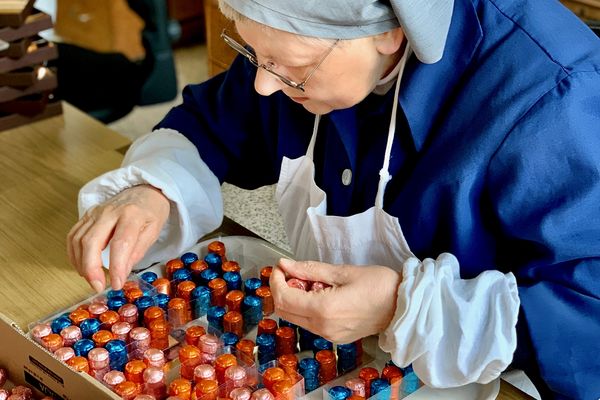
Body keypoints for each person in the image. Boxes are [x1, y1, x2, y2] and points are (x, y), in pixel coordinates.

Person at [67, 0, 600, 398]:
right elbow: (217, 122)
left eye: (289, 66)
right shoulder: (296, 46)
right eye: (251, 52)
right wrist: (152, 188)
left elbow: (588, 314)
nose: (264, 87)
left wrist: (406, 308)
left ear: (393, 31)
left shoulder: (553, 97)